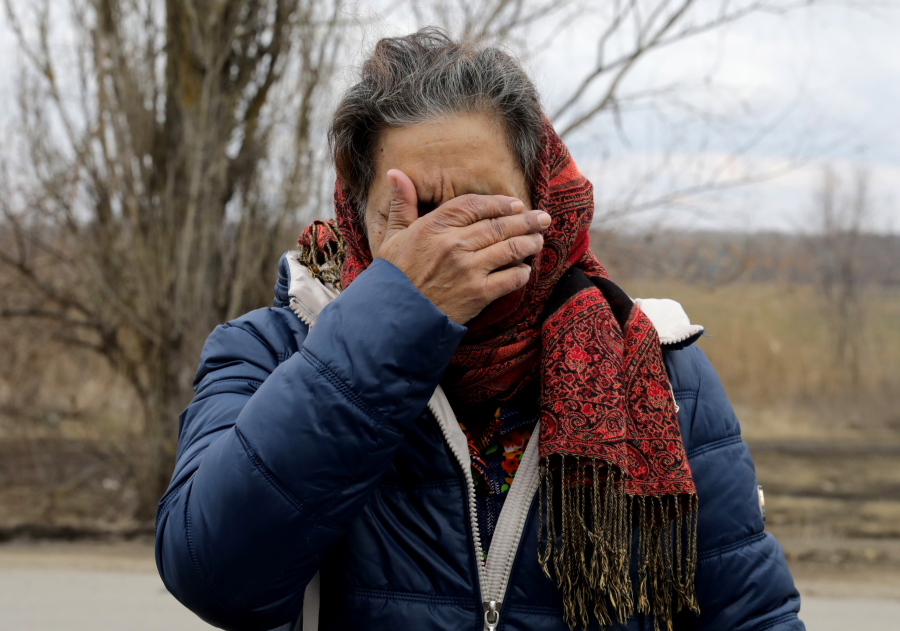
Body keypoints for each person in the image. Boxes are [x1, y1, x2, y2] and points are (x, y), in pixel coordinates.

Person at [155, 28, 804, 631]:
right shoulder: (271, 351)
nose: (450, 243)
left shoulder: (659, 366)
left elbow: (753, 614)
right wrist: (395, 319)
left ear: (542, 202)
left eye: (485, 208)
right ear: (355, 210)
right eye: (416, 214)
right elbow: (214, 574)